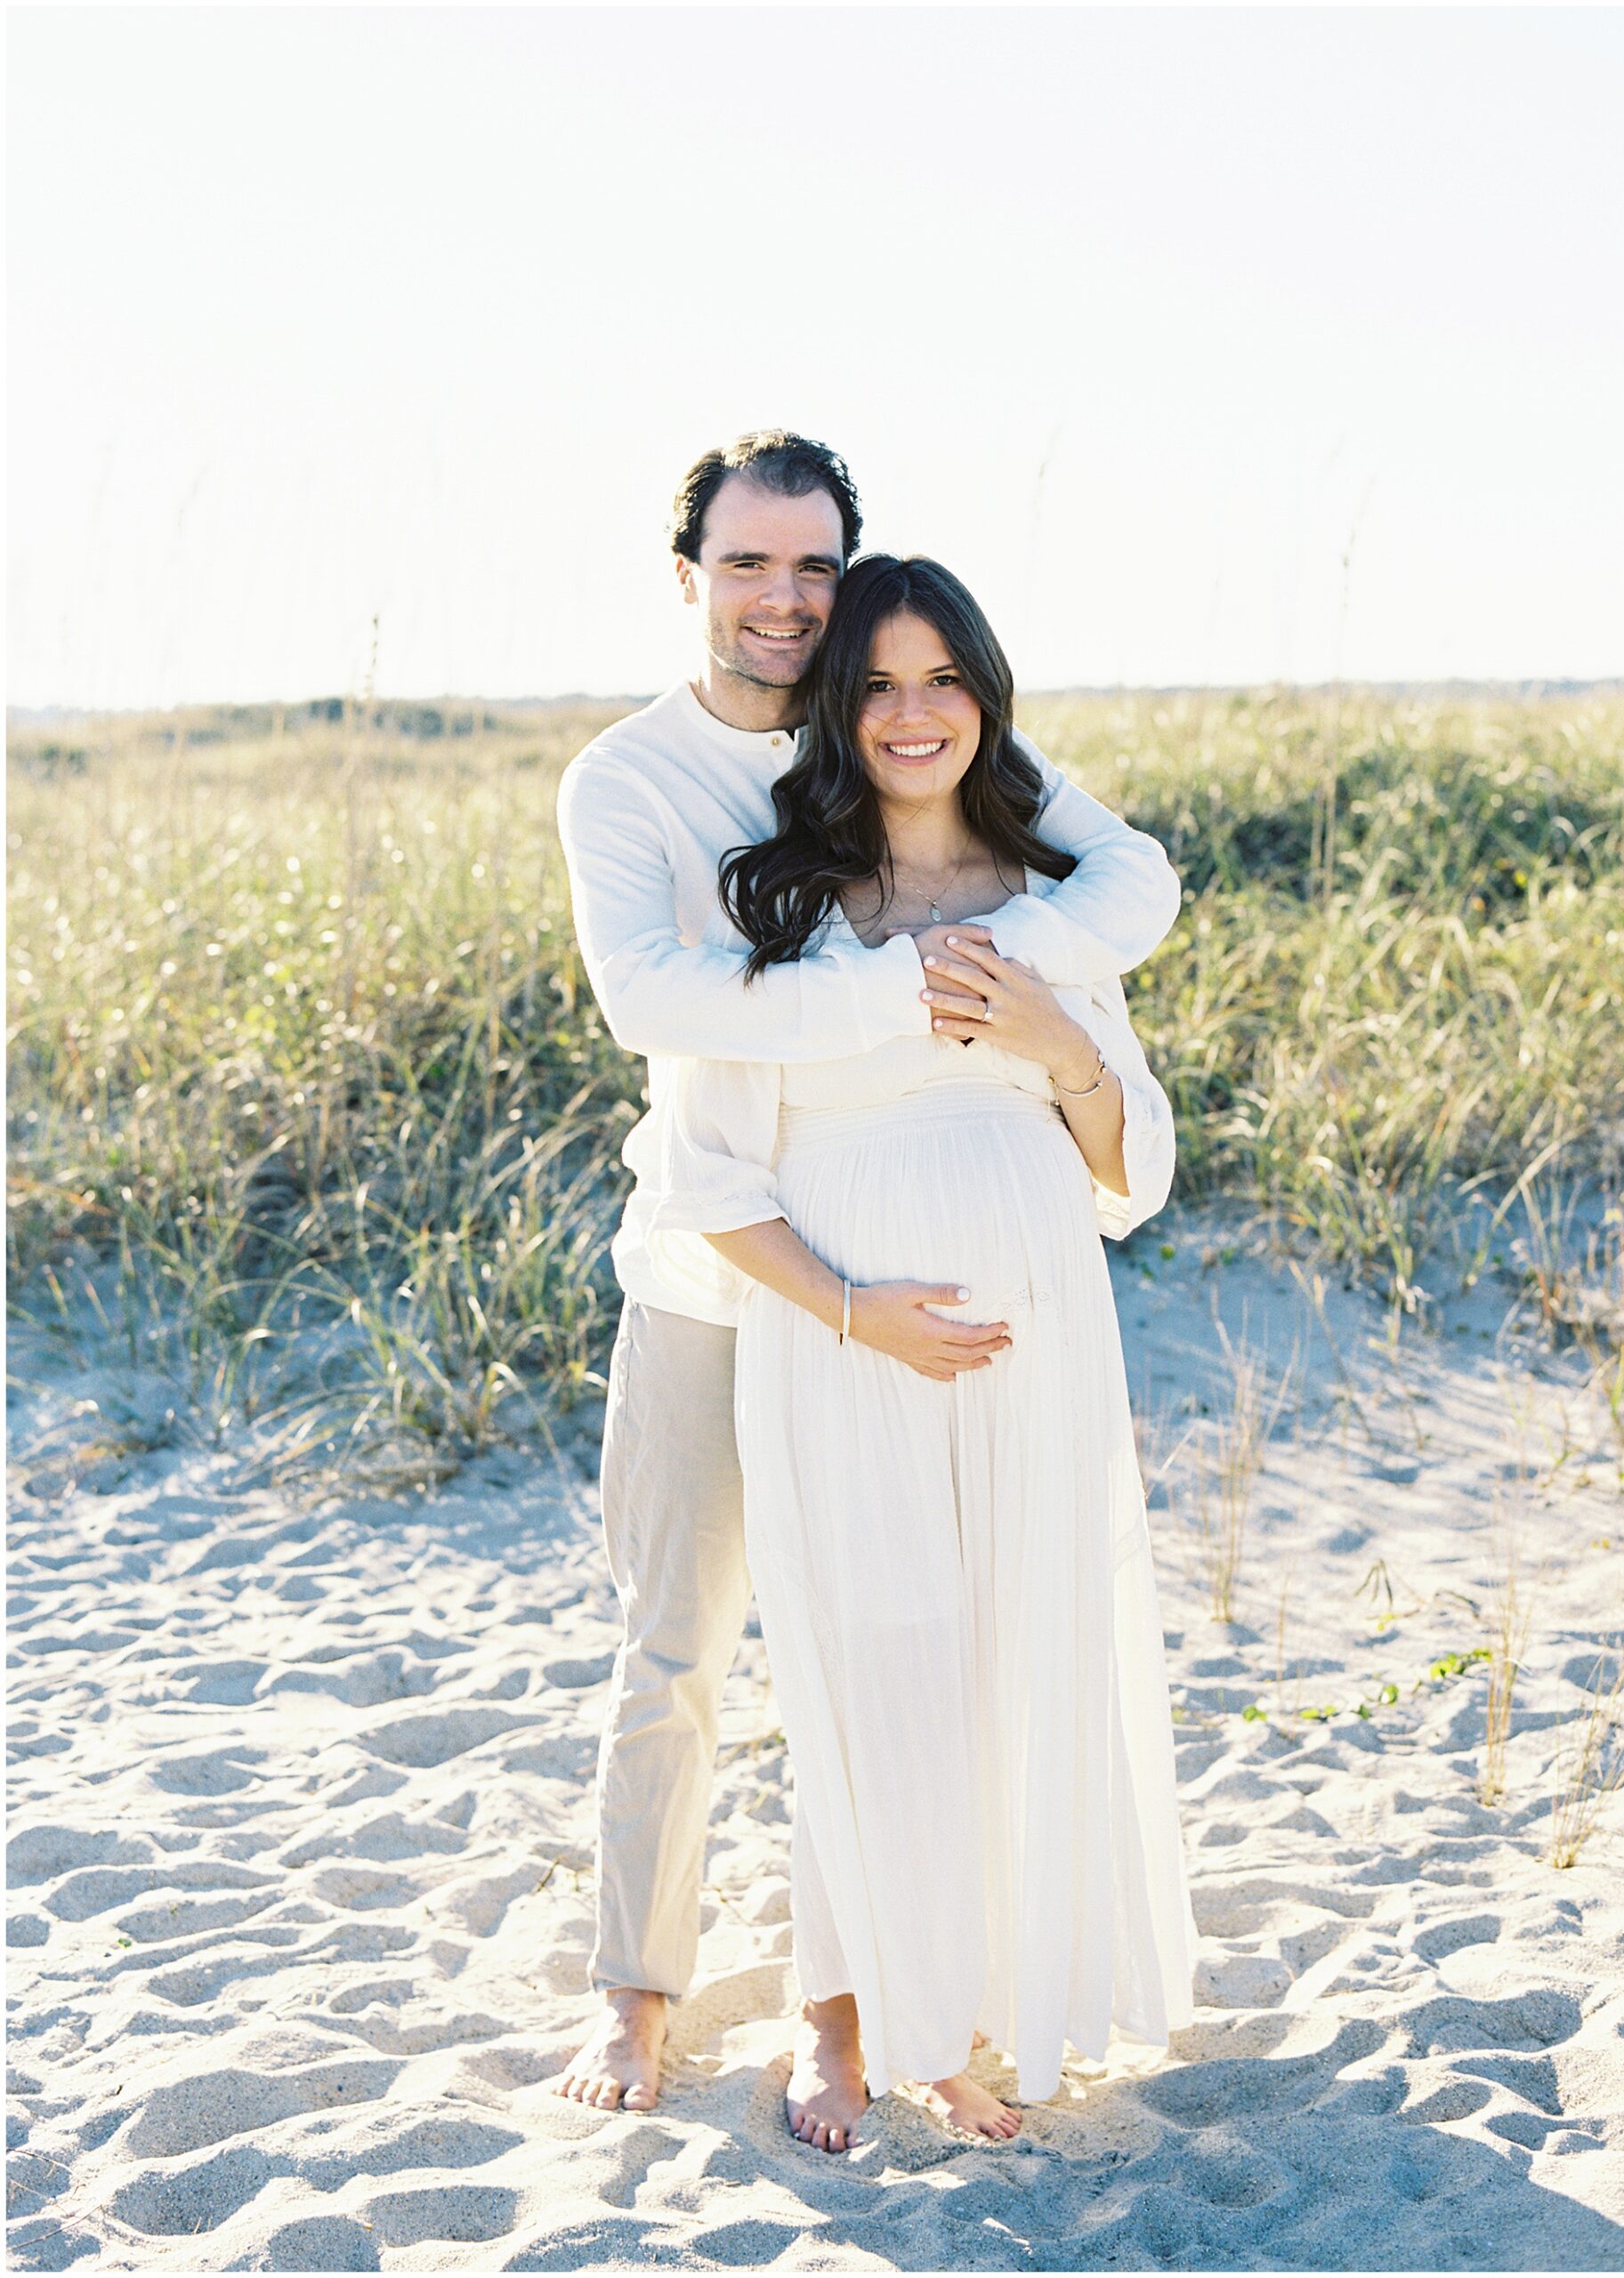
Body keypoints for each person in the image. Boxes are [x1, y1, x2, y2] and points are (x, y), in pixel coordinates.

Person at [552, 432, 1182, 2128]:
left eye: (810, 566)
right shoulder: (633, 782)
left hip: (973, 1313)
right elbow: (659, 1012)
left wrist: (1036, 1002)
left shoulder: (909, 724)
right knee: (680, 1641)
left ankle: (898, 1997)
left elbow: (1128, 879)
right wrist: (917, 995)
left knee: (927, 1646)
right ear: (688, 575)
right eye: (747, 565)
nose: (782, 598)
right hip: (724, 1268)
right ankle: (637, 1995)